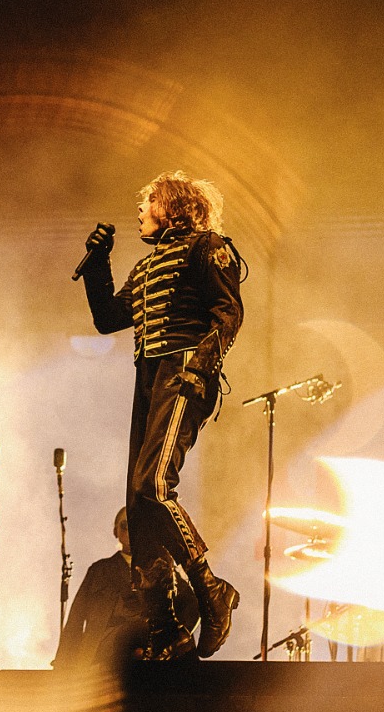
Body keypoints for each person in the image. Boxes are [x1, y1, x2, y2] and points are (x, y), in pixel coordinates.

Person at [79, 170, 245, 660]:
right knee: (139, 504)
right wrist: (98, 266)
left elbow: (228, 313)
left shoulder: (208, 248)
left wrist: (200, 367)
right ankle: (166, 626)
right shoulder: (148, 265)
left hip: (184, 369)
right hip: (149, 377)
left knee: (153, 484)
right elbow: (108, 319)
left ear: (171, 206)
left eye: (147, 202)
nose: (139, 211)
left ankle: (209, 586)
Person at [53, 506, 200, 670]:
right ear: (115, 531)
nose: (130, 530)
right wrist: (63, 662)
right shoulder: (99, 570)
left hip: (153, 650)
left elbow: (192, 607)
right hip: (104, 653)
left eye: (136, 525)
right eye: (125, 525)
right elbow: (76, 617)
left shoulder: (162, 568)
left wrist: (177, 640)